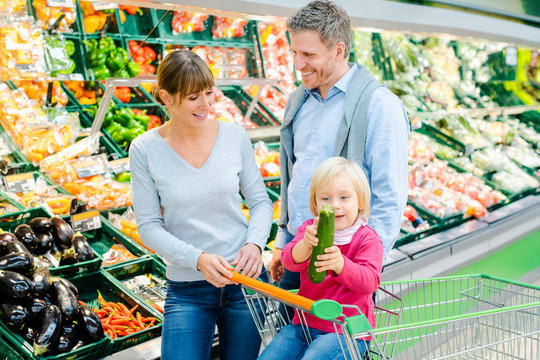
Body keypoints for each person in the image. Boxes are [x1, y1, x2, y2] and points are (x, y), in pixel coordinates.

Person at [129, 50, 273, 360]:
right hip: (187, 289)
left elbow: (260, 202)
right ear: (167, 98)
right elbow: (149, 227)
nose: (207, 105)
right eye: (194, 97)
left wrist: (255, 245)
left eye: (209, 93)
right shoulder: (144, 149)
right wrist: (198, 259)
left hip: (244, 282)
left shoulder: (234, 137)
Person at [269, 0, 409, 304]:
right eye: (294, 52)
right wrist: (284, 241)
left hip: (344, 264)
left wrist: (364, 269)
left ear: (339, 50)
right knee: (293, 343)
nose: (298, 63)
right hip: (299, 253)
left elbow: (390, 195)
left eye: (309, 54)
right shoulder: (297, 102)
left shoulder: (379, 105)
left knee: (335, 349)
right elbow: (290, 178)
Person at [259, 157, 383, 360]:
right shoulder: (310, 230)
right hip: (304, 323)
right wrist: (305, 245)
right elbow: (290, 261)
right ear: (315, 203)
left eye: (344, 197)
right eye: (326, 198)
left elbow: (370, 282)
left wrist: (341, 265)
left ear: (360, 200)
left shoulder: (367, 239)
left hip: (348, 331)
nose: (334, 205)